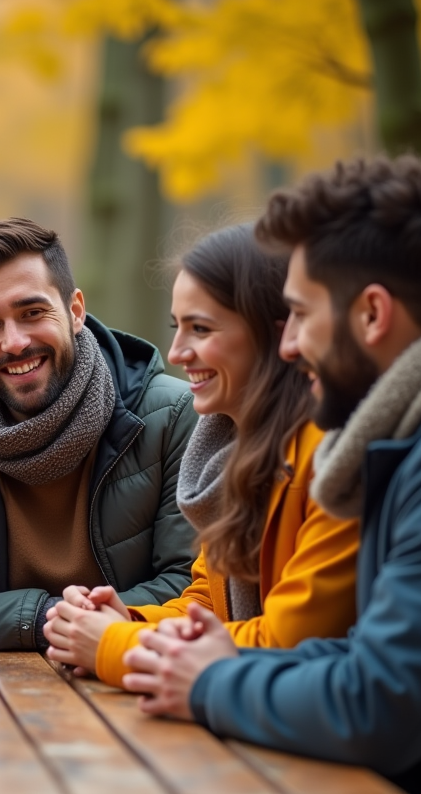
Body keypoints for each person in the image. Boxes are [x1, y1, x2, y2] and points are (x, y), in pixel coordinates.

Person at [122, 157, 421, 794]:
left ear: (371, 315)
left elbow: (378, 704)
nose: (288, 345)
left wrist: (208, 679)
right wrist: (198, 654)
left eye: (301, 315)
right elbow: (365, 655)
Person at [42, 223, 359, 682]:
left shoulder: (332, 458)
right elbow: (210, 602)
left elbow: (289, 642)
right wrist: (129, 618)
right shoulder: (234, 452)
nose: (176, 352)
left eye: (201, 329)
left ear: (276, 336)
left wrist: (114, 645)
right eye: (177, 327)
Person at [0, 217, 198, 652]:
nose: (14, 342)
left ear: (75, 310)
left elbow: (190, 585)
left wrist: (94, 634)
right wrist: (49, 620)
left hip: (129, 675)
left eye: (32, 313)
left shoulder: (176, 417)